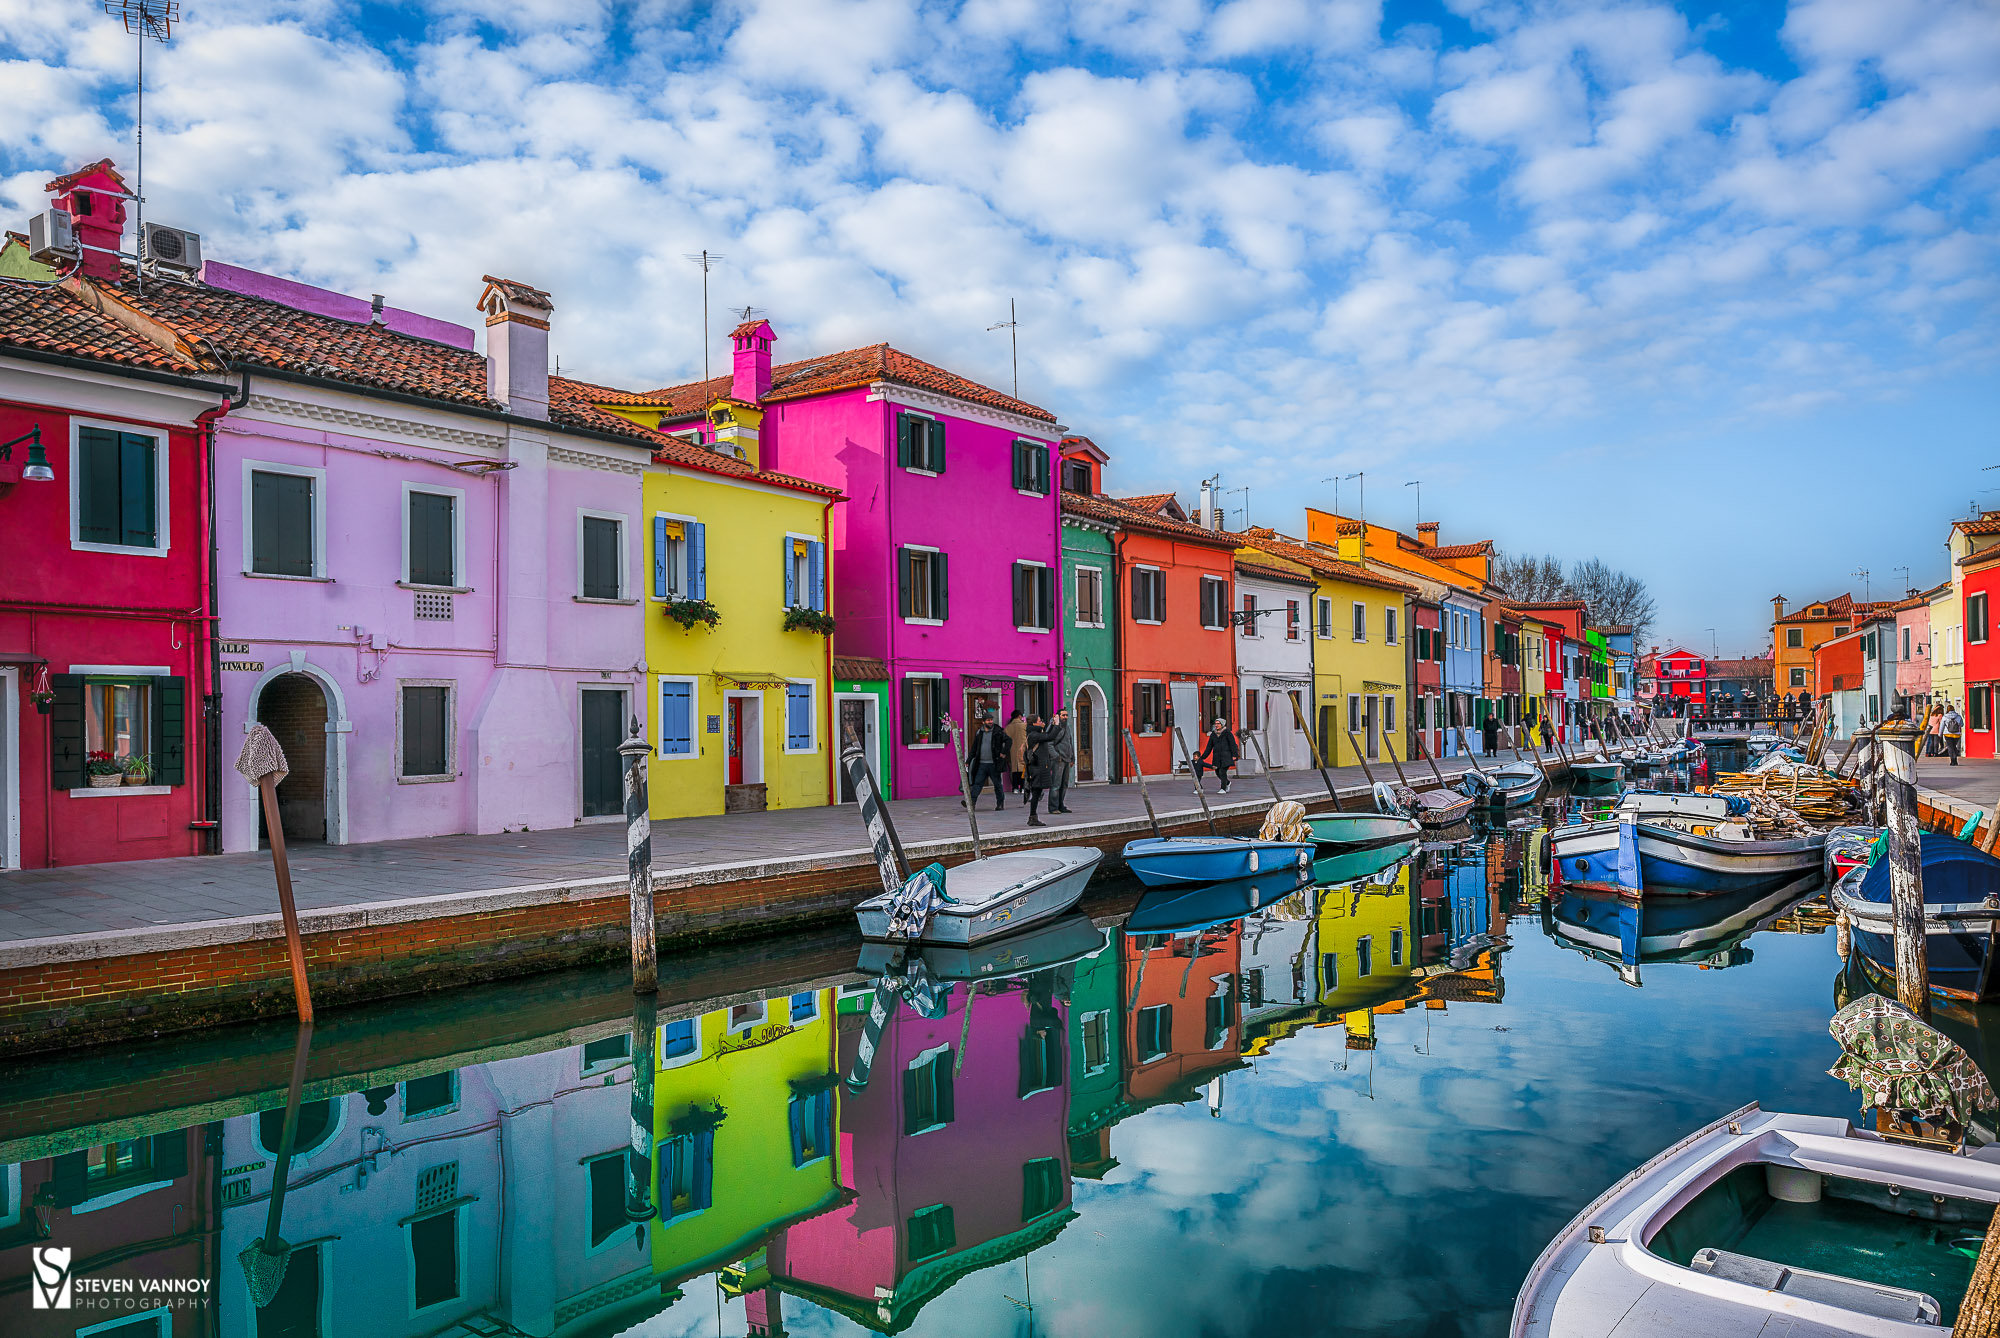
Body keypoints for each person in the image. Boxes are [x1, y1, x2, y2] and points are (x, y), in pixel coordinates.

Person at [961, 712, 1010, 810]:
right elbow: (974, 748)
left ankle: (1000, 804)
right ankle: (971, 803)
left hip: (994, 763)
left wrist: (1004, 752)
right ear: (983, 722)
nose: (990, 722)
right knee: (977, 784)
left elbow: (1009, 741)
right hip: (982, 764)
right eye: (988, 720)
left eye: (991, 720)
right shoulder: (979, 732)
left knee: (997, 784)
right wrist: (968, 760)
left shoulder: (998, 731)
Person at [1023, 715, 1061, 826]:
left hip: (1037, 767)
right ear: (1034, 723)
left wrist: (1052, 725)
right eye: (1040, 721)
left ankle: (1033, 817)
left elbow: (1047, 735)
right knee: (1036, 793)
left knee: (1037, 792)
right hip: (1037, 768)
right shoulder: (1034, 735)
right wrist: (1057, 724)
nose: (1041, 722)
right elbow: (1050, 736)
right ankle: (1032, 817)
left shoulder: (1035, 734)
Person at [1193, 717, 1239, 793]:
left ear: (1222, 724)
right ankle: (1227, 783)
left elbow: (1233, 744)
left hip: (1226, 756)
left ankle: (1223, 788)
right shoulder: (1213, 734)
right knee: (1217, 772)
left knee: (1222, 772)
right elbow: (1209, 747)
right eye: (1215, 723)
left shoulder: (1227, 733)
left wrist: (1235, 755)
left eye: (1218, 723)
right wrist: (1202, 757)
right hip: (1217, 757)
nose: (1216, 725)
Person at [1047, 707, 1075, 813]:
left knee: (1064, 784)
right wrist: (1056, 756)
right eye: (1063, 715)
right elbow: (1048, 743)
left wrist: (1073, 757)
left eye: (1066, 715)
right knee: (1056, 784)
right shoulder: (1053, 727)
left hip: (1067, 759)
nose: (1065, 717)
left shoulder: (1067, 727)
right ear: (1058, 716)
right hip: (1058, 759)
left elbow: (1070, 742)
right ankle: (1053, 807)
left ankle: (1060, 805)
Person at [1004, 709, 1029, 794]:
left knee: (1014, 769)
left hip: (1012, 751)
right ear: (1019, 716)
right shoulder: (1024, 726)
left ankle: (1015, 787)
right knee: (1023, 769)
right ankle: (1022, 787)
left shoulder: (1008, 727)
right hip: (1023, 750)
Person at [1944, 701, 1964, 767]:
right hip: (1957, 734)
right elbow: (1962, 724)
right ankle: (1955, 759)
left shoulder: (1945, 717)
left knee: (1950, 747)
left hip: (1947, 734)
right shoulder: (1958, 716)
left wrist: (1940, 734)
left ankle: (1952, 760)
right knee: (1954, 746)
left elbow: (1942, 726)